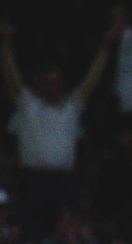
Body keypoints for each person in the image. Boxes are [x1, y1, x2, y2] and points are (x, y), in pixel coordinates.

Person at [0, 18, 118, 231]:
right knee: (30, 231)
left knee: (61, 230)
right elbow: (11, 76)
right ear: (41, 84)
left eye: (57, 83)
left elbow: (92, 80)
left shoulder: (71, 106)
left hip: (62, 182)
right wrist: (6, 45)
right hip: (31, 180)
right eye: (49, 83)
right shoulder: (28, 103)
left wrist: (104, 49)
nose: (53, 87)